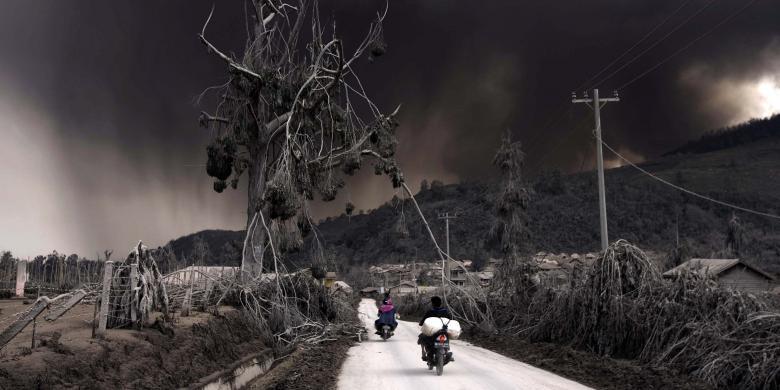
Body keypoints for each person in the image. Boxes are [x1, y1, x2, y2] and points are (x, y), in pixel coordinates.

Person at [417, 296, 451, 361]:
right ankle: (446, 351)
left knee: (422, 337)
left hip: (432, 331)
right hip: (442, 331)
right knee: (446, 336)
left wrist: (421, 323)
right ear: (440, 303)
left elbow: (423, 321)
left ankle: (423, 353)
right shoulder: (445, 311)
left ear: (432, 303)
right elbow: (450, 320)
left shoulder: (430, 311)